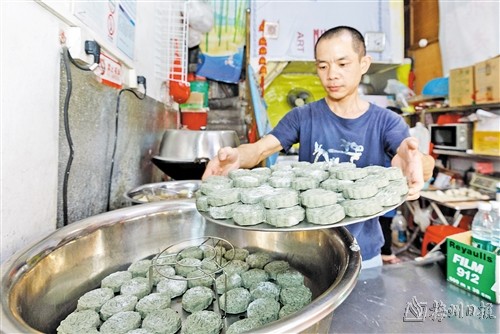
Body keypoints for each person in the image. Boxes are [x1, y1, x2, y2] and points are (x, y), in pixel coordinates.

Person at [202, 26, 435, 269]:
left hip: (364, 254)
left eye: (342, 64)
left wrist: (419, 163)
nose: (332, 74)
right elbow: (260, 149)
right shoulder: (303, 116)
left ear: (364, 63)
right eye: (323, 66)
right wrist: (237, 155)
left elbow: (411, 156)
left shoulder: (386, 121)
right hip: (310, 251)